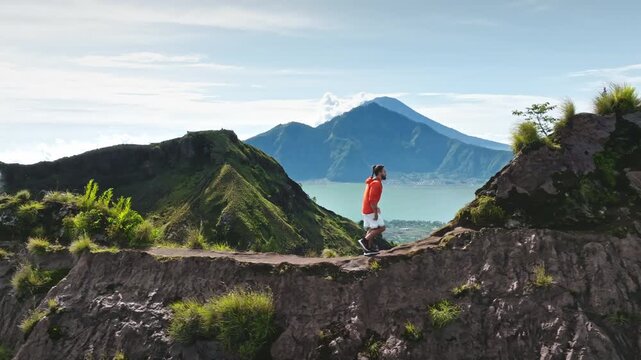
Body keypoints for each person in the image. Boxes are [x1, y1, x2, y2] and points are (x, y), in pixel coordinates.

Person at [358, 164, 386, 253]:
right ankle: (364, 241)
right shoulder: (376, 184)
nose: (386, 173)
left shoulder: (371, 182)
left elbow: (370, 199)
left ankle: (368, 249)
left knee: (372, 228)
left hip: (366, 209)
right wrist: (375, 213)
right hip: (370, 210)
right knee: (381, 228)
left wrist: (376, 207)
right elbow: (371, 200)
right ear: (380, 173)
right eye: (384, 172)